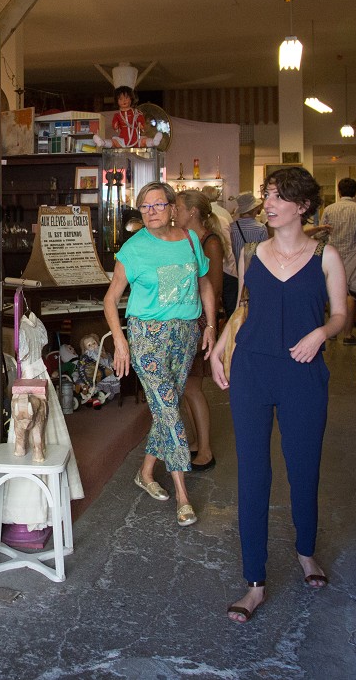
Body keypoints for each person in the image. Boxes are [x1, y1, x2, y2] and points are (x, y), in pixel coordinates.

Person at [210, 167, 348, 623]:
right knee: (253, 473)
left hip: (304, 372)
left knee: (303, 465)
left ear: (302, 206)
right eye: (267, 195)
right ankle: (254, 582)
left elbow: (343, 315)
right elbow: (242, 310)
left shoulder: (326, 256)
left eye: (277, 196)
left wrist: (321, 333)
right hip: (252, 369)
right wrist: (219, 347)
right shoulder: (250, 252)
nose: (268, 203)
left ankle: (307, 551)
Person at [102, 181, 217, 527]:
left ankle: (146, 471)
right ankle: (183, 495)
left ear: (171, 207)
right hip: (147, 337)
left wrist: (210, 325)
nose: (150, 212)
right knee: (170, 411)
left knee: (166, 407)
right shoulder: (133, 249)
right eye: (144, 207)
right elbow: (110, 299)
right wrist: (121, 343)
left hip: (185, 336)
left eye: (157, 205)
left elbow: (204, 283)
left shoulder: (190, 240)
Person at [175, 189, 228, 472]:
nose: (174, 212)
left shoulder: (210, 241)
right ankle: (197, 441)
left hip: (198, 320)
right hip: (188, 318)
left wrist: (209, 325)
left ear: (192, 211)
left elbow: (214, 287)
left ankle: (205, 449)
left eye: (178, 207)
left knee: (193, 387)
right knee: (187, 387)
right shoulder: (187, 239)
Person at [314, 178, 356, 344]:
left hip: (332, 254)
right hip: (353, 255)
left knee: (333, 291)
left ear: (339, 191)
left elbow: (321, 233)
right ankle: (347, 334)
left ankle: (331, 332)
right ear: (355, 191)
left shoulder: (330, 209)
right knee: (350, 293)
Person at [226, 192, 265, 314]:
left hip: (236, 272)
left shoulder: (231, 227)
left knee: (239, 307)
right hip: (256, 273)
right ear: (253, 209)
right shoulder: (261, 228)